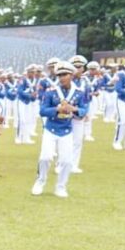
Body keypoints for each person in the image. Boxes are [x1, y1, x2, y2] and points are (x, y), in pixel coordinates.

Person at [31, 60, 85, 198]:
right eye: (59, 75)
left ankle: (61, 186)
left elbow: (84, 109)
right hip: (51, 129)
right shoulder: (51, 92)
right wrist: (57, 109)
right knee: (45, 157)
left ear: (71, 75)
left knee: (67, 161)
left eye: (64, 74)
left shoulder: (78, 93)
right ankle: (40, 181)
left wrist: (75, 109)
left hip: (67, 130)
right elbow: (42, 111)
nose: (61, 78)